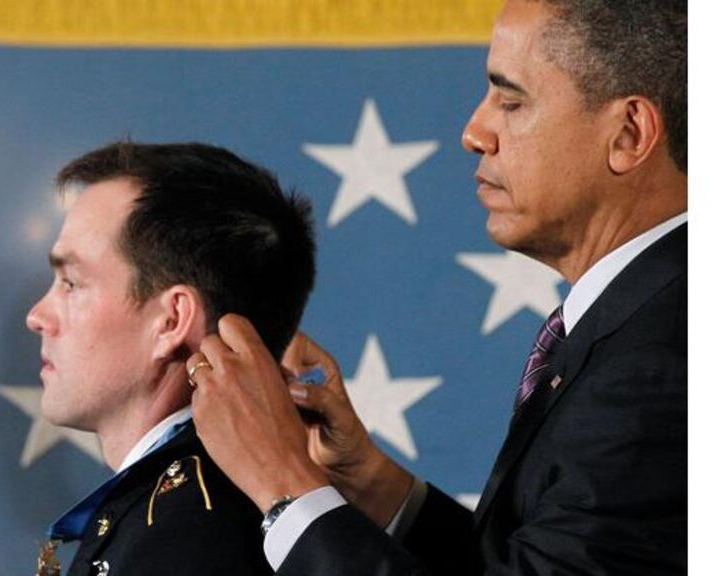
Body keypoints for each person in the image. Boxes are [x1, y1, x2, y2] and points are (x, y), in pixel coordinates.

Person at [185, 0, 687, 574]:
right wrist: (372, 482)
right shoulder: (638, 324)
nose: (474, 132)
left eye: (511, 99)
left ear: (628, 134)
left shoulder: (660, 367)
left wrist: (283, 484)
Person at [25, 141, 316, 576]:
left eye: (71, 283)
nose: (37, 317)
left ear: (171, 320)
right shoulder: (169, 511)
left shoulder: (186, 534)